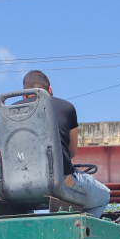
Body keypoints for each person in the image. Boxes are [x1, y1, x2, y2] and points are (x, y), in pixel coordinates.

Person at [20, 70, 110, 217]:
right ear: (49, 90)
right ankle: (77, 234)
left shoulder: (8, 111)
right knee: (104, 196)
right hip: (60, 180)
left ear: (24, 95)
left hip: (20, 184)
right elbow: (72, 152)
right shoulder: (66, 107)